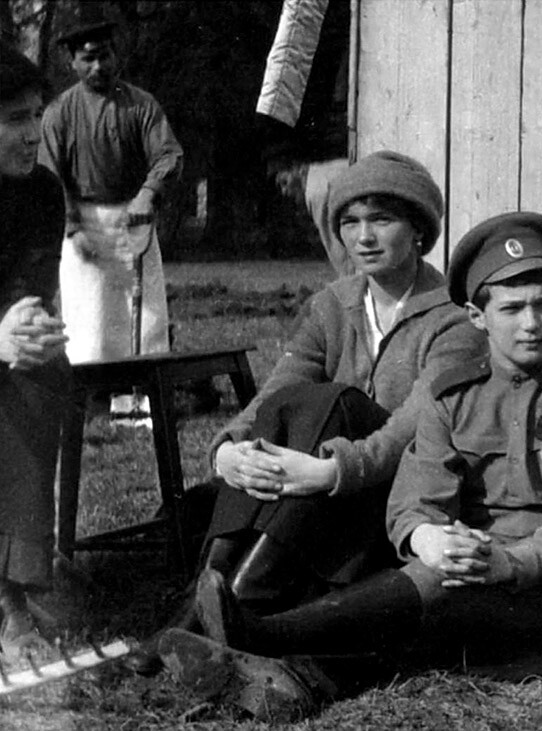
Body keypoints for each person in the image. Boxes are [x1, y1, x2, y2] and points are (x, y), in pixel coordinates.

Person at [157, 211, 542, 721]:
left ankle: (259, 636)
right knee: (434, 586)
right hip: (467, 567)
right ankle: (286, 671)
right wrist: (427, 538)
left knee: (439, 599)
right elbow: (414, 500)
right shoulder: (451, 396)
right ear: (477, 317)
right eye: (512, 309)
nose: (532, 324)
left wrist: (508, 562)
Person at [124, 150, 483, 673]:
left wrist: (330, 470)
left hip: (391, 495)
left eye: (382, 219)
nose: (364, 237)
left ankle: (232, 608)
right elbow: (277, 391)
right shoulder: (331, 305)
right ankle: (208, 604)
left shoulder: (453, 320)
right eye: (350, 222)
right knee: (289, 407)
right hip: (313, 499)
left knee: (333, 402)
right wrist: (228, 450)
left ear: (420, 231)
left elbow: (414, 426)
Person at [39, 17, 182, 421]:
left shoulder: (140, 104)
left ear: (116, 55)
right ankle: (89, 403)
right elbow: (51, 175)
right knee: (90, 317)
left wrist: (147, 194)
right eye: (88, 59)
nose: (98, 67)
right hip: (84, 224)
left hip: (135, 220)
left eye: (104, 56)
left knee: (146, 314)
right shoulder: (60, 113)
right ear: (73, 63)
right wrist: (71, 227)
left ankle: (140, 401)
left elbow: (169, 154)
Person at [0, 44, 71, 657]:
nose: (33, 135)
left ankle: (14, 590)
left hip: (4, 346)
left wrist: (27, 325)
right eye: (16, 120)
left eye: (37, 116)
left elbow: (31, 281)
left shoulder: (42, 191)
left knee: (40, 371)